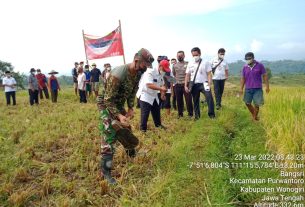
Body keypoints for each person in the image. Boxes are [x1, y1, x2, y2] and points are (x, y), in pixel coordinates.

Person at [97, 48, 154, 184]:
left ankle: (132, 154)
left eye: (147, 66)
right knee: (110, 133)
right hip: (106, 103)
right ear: (136, 61)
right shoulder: (119, 74)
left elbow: (132, 91)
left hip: (118, 103)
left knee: (126, 128)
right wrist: (118, 116)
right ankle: (105, 171)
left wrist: (130, 108)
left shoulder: (138, 73)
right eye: (144, 65)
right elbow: (108, 99)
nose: (145, 69)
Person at [138, 60, 168, 132]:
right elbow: (149, 85)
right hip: (145, 95)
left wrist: (162, 94)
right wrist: (161, 88)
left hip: (154, 95)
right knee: (145, 113)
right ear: (160, 66)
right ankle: (143, 129)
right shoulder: (150, 72)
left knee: (156, 111)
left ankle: (158, 125)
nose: (164, 71)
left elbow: (162, 84)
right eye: (164, 69)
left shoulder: (161, 74)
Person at [185, 47, 215, 119]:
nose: (195, 57)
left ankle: (211, 115)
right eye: (193, 55)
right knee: (195, 100)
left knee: (209, 98)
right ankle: (197, 116)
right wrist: (185, 85)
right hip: (194, 84)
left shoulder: (205, 62)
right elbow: (187, 75)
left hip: (204, 83)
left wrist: (209, 83)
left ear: (200, 54)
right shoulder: (190, 63)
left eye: (196, 55)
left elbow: (209, 73)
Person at [240, 52, 270, 121]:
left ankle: (254, 118)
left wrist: (267, 86)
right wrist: (241, 88)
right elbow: (243, 78)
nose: (247, 60)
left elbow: (265, 76)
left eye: (249, 59)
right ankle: (255, 115)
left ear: (253, 58)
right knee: (247, 103)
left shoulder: (260, 65)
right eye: (246, 59)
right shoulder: (245, 67)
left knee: (257, 104)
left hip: (257, 89)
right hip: (248, 88)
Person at [173, 51, 193, 118]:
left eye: (181, 55)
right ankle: (180, 114)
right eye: (178, 56)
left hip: (186, 84)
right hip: (177, 85)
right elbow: (174, 74)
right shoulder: (174, 65)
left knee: (188, 100)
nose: (179, 57)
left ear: (184, 56)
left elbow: (190, 74)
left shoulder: (188, 64)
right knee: (179, 100)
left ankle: (190, 114)